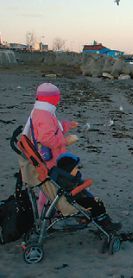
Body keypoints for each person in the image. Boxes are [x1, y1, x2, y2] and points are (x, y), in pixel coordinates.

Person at [19, 82, 79, 216]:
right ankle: (47, 212)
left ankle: (47, 210)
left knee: (47, 188)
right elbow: (47, 138)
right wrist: (66, 141)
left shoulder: (41, 111)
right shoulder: (44, 115)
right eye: (57, 97)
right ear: (52, 98)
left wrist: (68, 125)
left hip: (47, 156)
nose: (58, 100)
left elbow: (54, 128)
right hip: (51, 158)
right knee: (52, 185)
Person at [55, 152, 121, 232]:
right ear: (68, 169)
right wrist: (85, 185)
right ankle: (106, 224)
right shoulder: (65, 180)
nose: (77, 169)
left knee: (95, 203)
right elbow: (71, 193)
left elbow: (77, 184)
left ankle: (101, 221)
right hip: (74, 201)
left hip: (76, 199)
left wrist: (82, 182)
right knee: (96, 204)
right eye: (75, 168)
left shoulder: (65, 177)